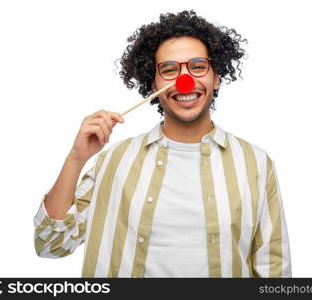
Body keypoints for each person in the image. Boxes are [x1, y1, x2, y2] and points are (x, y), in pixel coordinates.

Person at [33, 10, 292, 278]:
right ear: (152, 82)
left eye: (198, 66)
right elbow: (51, 244)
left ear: (216, 77)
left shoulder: (256, 164)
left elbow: (274, 270)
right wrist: (76, 158)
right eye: (169, 70)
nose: (185, 80)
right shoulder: (114, 161)